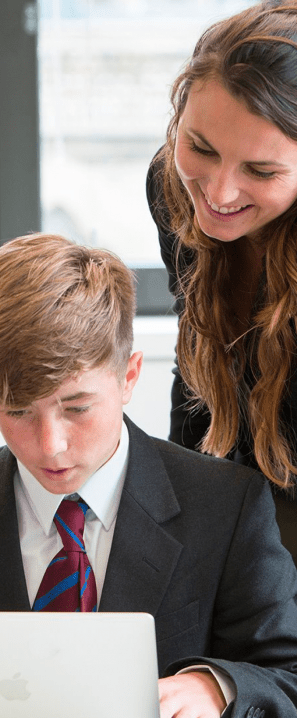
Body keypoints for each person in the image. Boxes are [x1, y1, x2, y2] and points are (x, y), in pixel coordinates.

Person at [0, 233, 297, 718]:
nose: (50, 446)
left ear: (129, 377)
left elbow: (287, 673)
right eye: (16, 411)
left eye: (77, 407)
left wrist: (216, 685)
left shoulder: (225, 505)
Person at [146, 1, 297, 556]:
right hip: (241, 480)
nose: (218, 192)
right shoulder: (171, 189)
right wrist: (166, 511)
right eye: (200, 148)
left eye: (261, 171)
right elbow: (198, 360)